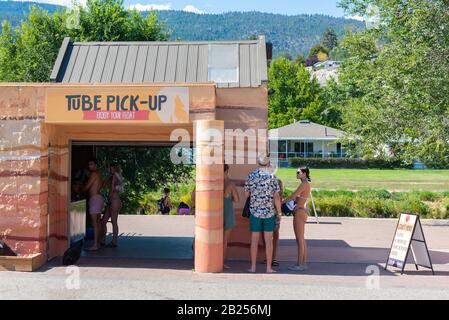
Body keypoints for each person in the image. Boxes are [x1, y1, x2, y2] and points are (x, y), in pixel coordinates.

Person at [244, 154, 282, 273]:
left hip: (255, 212)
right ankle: (268, 268)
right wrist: (279, 212)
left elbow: (246, 195)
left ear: (258, 163)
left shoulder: (251, 176)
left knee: (254, 241)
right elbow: (276, 197)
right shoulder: (272, 177)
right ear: (268, 164)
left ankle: (253, 267)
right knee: (269, 241)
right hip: (269, 213)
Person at [283, 166, 312, 271]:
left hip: (299, 213)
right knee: (302, 239)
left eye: (299, 172)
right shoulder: (305, 184)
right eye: (296, 172)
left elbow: (292, 196)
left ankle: (299, 265)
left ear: (304, 174)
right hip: (301, 211)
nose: (297, 174)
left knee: (299, 239)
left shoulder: (304, 184)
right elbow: (298, 198)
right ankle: (302, 263)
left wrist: (280, 203)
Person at [83, 158, 104, 251]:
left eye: (91, 164)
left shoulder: (94, 174)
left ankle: (95, 245)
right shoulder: (99, 174)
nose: (90, 166)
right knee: (98, 223)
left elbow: (87, 186)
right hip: (99, 198)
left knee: (95, 223)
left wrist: (80, 189)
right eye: (89, 164)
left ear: (96, 165)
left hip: (94, 199)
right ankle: (98, 243)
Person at [101, 163, 123, 248]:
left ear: (114, 169)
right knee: (103, 221)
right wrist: (108, 177)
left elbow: (114, 189)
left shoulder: (116, 177)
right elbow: (104, 185)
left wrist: (112, 180)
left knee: (113, 221)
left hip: (114, 201)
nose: (109, 170)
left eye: (110, 168)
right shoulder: (112, 176)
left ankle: (114, 241)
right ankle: (103, 239)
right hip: (111, 201)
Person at [263, 178, 283, 267]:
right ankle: (271, 257)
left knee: (270, 236)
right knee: (274, 236)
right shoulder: (277, 185)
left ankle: (271, 258)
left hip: (268, 213)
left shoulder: (275, 186)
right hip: (272, 213)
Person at [223, 164, 240, 269]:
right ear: (227, 171)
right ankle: (221, 262)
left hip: (216, 214)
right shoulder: (230, 184)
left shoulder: (215, 182)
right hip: (227, 213)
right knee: (224, 241)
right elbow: (237, 199)